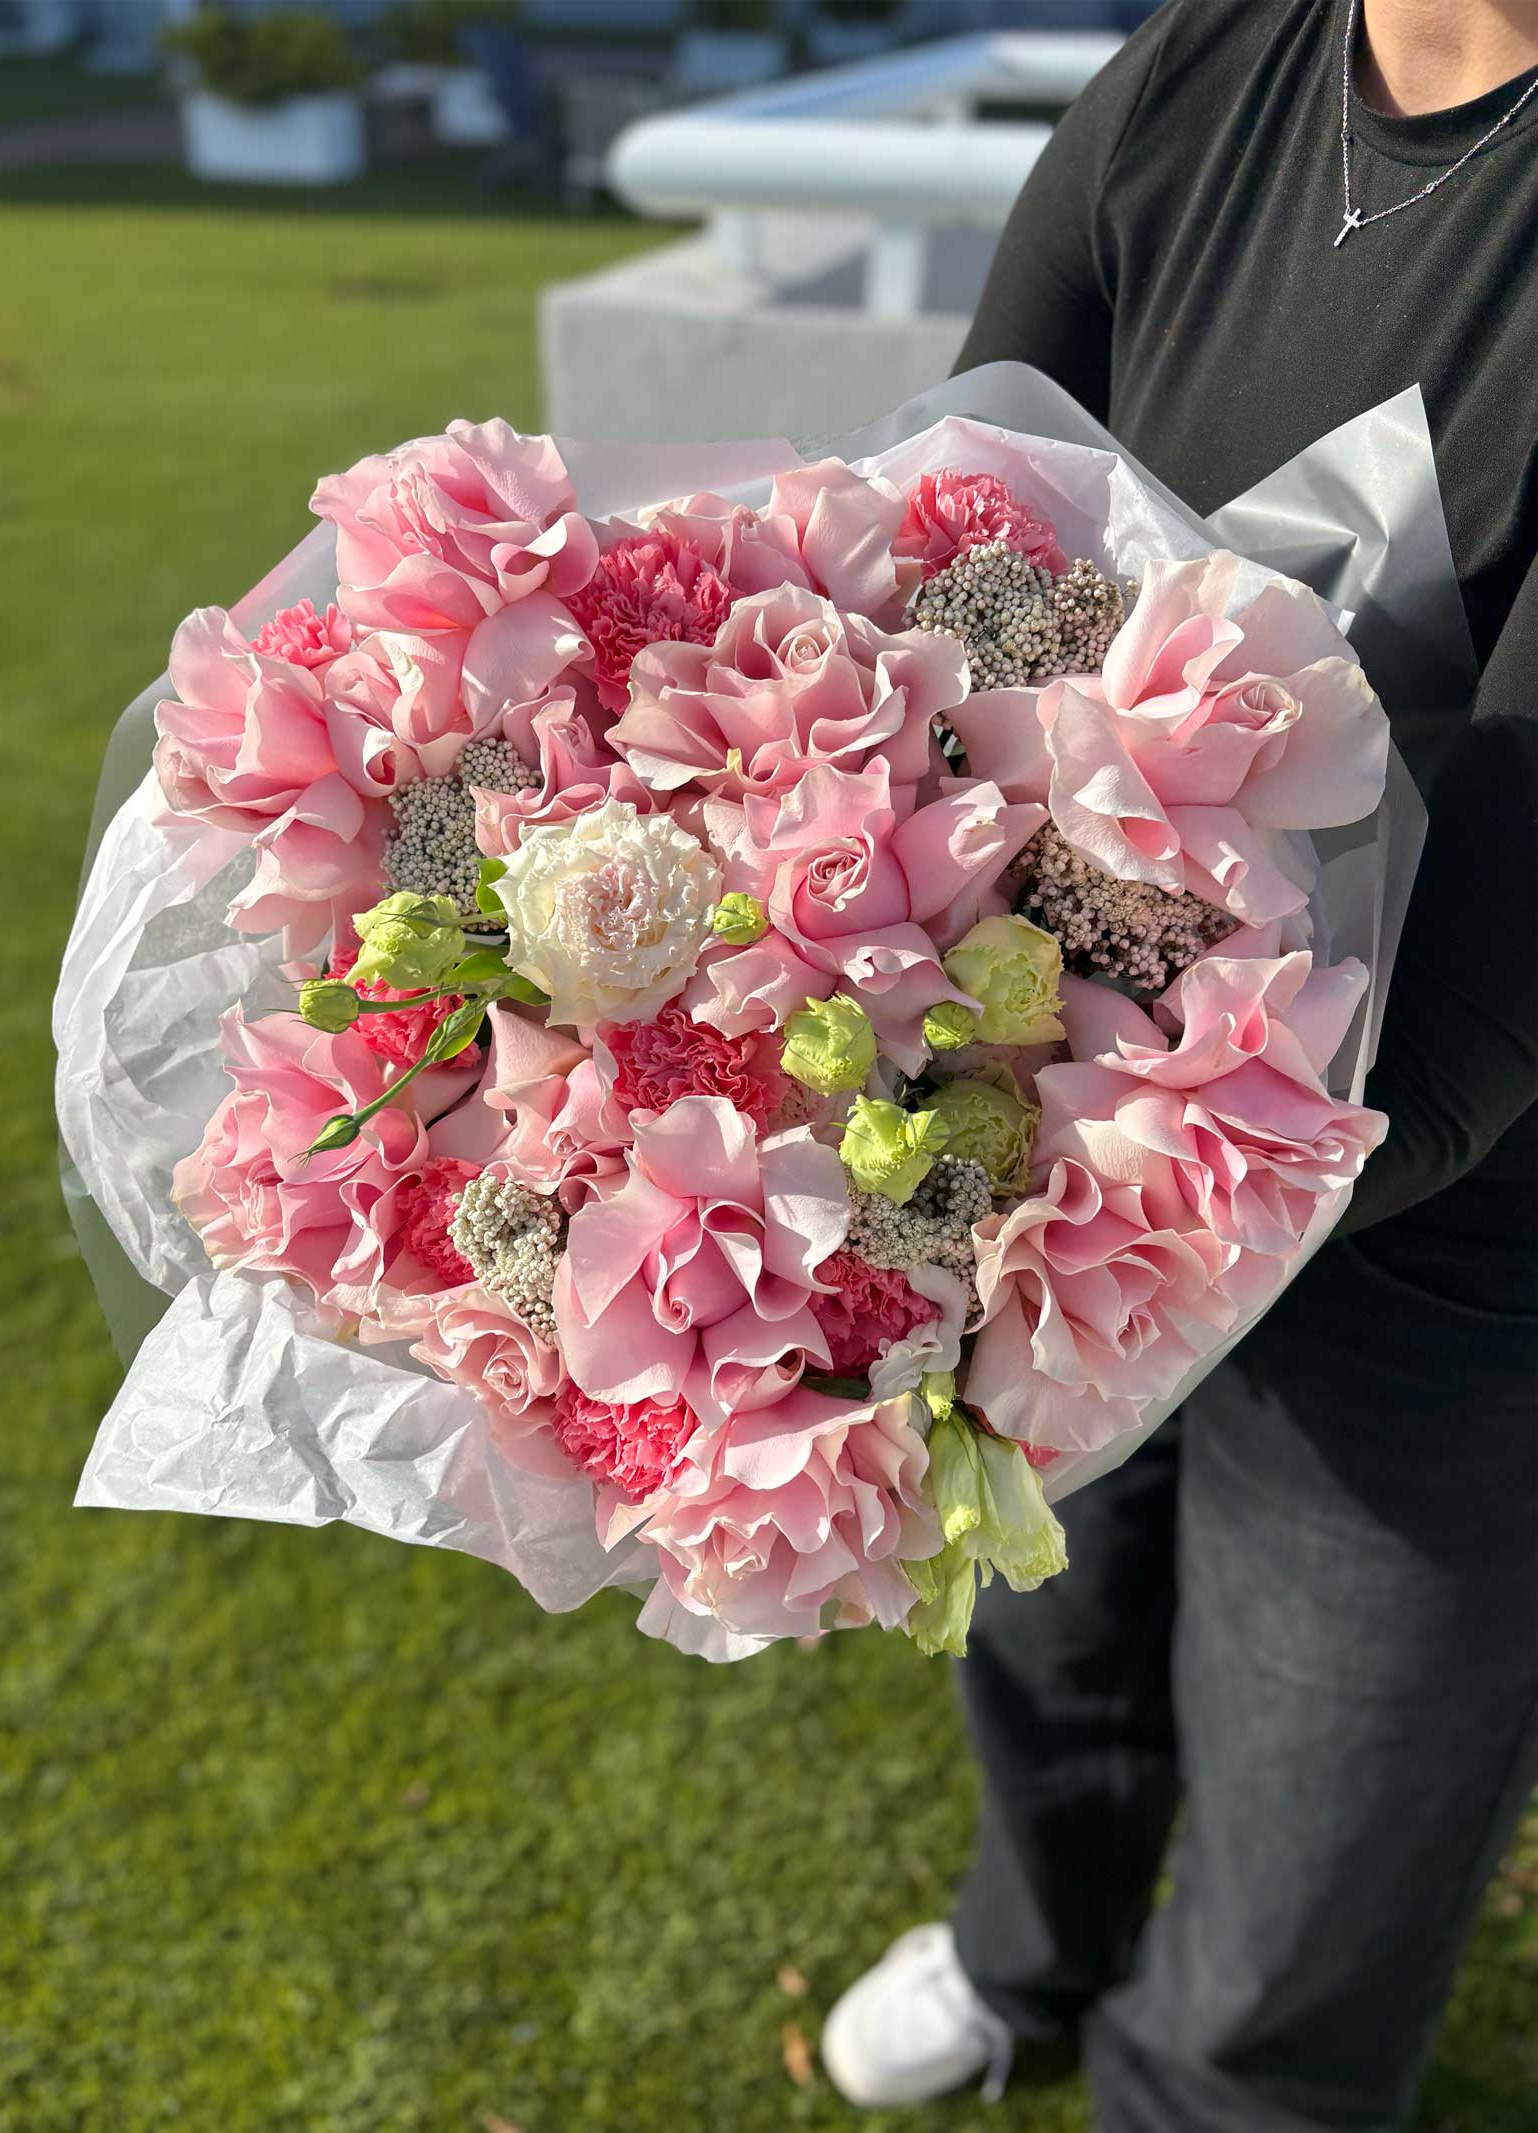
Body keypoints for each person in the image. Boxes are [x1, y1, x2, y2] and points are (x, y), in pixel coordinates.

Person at [820, 1, 1538, 2126]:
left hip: (1459, 1207)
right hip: (1053, 1093)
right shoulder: (1199, 70)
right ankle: (1029, 1942)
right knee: (1049, 1611)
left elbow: (1497, 973)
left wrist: (1060, 1145)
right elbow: (947, 522)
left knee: (1323, 1813)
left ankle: (1206, 2083)